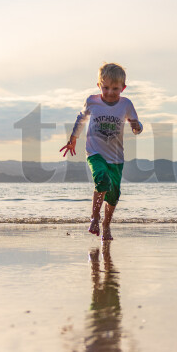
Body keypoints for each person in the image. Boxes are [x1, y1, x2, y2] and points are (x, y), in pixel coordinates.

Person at [61, 63, 143, 242]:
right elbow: (81, 119)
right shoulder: (92, 101)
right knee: (102, 179)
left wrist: (137, 126)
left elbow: (137, 127)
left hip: (116, 158)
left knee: (114, 195)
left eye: (115, 88)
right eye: (105, 87)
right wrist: (73, 138)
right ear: (99, 85)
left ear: (123, 88)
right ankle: (95, 218)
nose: (110, 92)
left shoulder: (126, 104)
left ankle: (106, 224)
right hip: (95, 152)